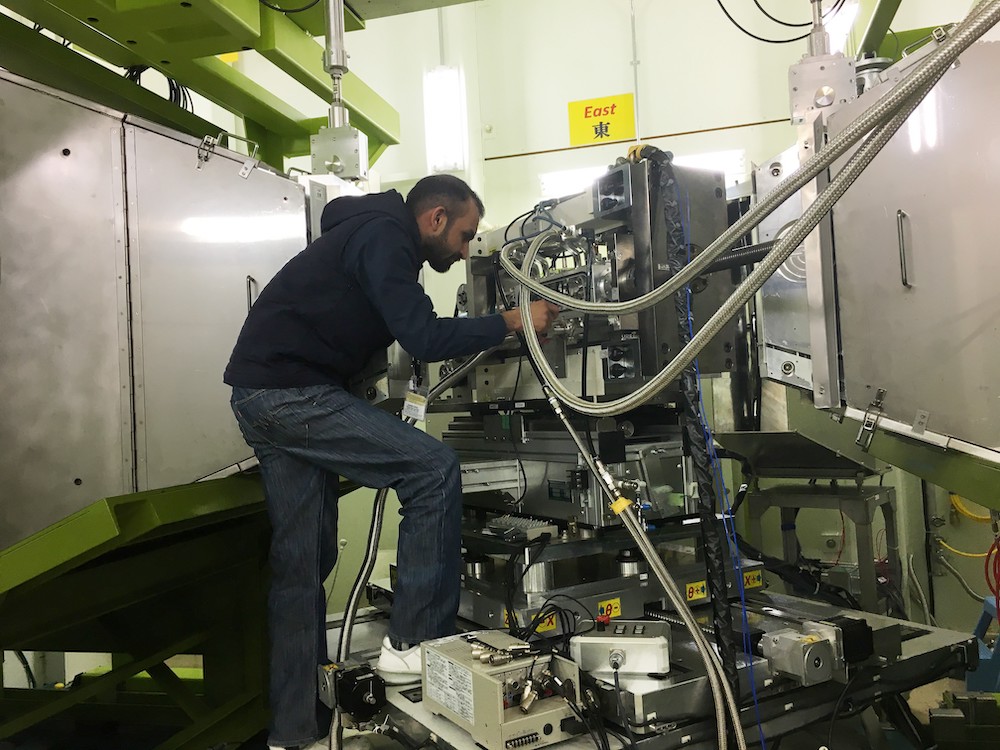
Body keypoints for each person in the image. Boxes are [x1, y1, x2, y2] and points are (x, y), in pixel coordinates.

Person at [224, 174, 559, 750]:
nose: (463, 251)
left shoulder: (366, 235)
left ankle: (292, 733)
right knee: (432, 470)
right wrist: (513, 320)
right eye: (463, 236)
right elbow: (424, 336)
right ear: (434, 218)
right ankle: (413, 644)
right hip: (292, 394)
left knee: (303, 564)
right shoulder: (387, 238)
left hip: (261, 393)